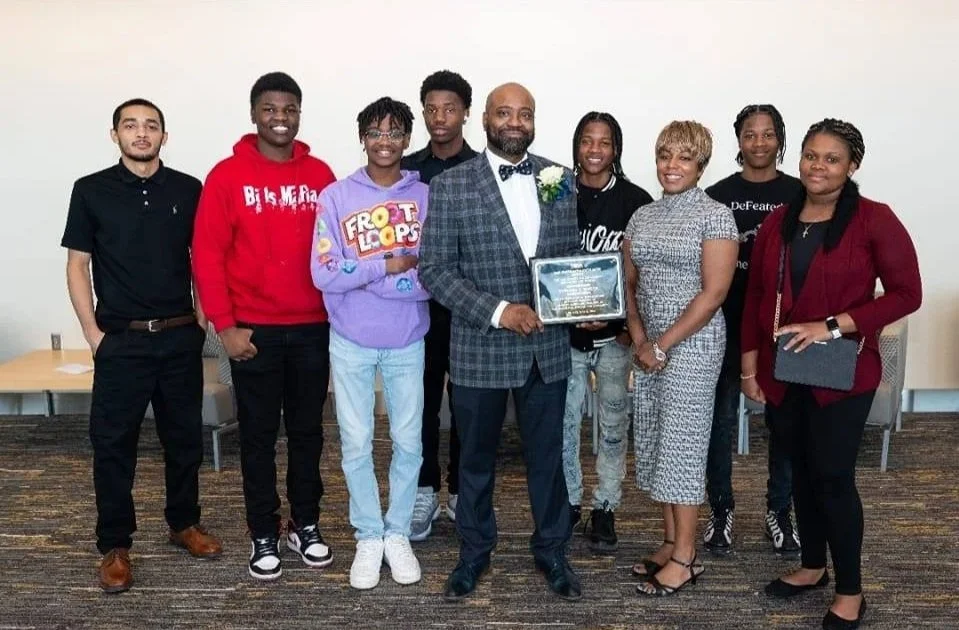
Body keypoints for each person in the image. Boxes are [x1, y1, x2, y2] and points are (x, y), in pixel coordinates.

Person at [742, 119, 921, 629]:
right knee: (797, 470)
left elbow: (908, 293)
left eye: (832, 159)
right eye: (811, 156)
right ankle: (812, 567)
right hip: (782, 370)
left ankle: (850, 591)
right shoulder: (780, 219)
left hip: (841, 374)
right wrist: (750, 367)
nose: (818, 167)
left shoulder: (874, 219)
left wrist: (833, 326)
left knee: (833, 477)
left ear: (852, 166)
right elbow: (757, 295)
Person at [420, 82, 583, 601]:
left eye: (526, 114)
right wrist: (499, 311)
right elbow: (434, 270)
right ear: (485, 118)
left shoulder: (560, 178)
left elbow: (568, 261)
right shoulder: (451, 185)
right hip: (479, 350)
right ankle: (473, 553)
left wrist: (586, 301)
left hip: (546, 349)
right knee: (474, 462)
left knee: (548, 460)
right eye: (505, 112)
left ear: (534, 122)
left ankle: (552, 551)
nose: (516, 122)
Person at [62, 98, 222, 594]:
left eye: (151, 126)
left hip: (178, 337)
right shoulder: (91, 191)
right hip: (122, 341)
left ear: (164, 137)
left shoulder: (188, 189)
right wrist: (93, 335)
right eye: (130, 125)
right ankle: (114, 544)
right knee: (113, 447)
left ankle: (183, 524)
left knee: (184, 441)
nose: (141, 133)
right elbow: (77, 265)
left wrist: (201, 314)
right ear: (115, 135)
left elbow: (204, 255)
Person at [192, 72, 336, 581]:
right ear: (254, 114)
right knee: (256, 437)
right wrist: (226, 329)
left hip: (312, 329)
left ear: (299, 113)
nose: (281, 117)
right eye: (271, 108)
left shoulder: (321, 175)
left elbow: (337, 254)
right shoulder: (227, 176)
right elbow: (207, 256)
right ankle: (263, 531)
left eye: (290, 108)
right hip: (251, 332)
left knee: (307, 434)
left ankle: (306, 523)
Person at [312, 97, 431, 590]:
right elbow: (323, 271)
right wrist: (387, 266)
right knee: (356, 443)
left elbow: (434, 273)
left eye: (395, 132)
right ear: (362, 137)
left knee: (408, 442)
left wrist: (363, 277)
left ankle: (397, 531)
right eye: (376, 132)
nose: (385, 141)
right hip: (351, 339)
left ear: (407, 139)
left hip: (407, 339)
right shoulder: (336, 197)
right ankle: (368, 534)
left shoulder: (426, 196)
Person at [623, 121, 739, 596]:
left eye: (684, 158)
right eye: (665, 155)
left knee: (683, 447)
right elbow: (627, 285)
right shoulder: (643, 216)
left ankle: (687, 558)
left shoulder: (716, 217)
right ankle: (669, 541)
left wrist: (661, 345)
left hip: (692, 346)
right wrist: (637, 337)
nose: (672, 166)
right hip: (648, 347)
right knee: (653, 438)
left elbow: (712, 296)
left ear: (701, 166)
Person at [702, 104, 802, 557]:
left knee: (784, 426)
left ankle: (779, 511)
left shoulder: (801, 192)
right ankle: (720, 510)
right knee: (718, 425)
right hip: (722, 323)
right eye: (749, 134)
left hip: (782, 327)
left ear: (781, 139)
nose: (758, 143)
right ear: (737, 140)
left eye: (767, 135)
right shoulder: (717, 194)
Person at [561, 112, 653, 553]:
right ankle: (568, 502)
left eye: (605, 142)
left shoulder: (636, 201)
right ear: (576, 146)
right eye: (586, 141)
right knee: (564, 424)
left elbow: (644, 273)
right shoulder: (554, 191)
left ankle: (606, 506)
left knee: (614, 423)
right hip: (565, 336)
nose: (595, 150)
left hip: (615, 338)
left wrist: (623, 325)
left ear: (616, 148)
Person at [401, 70, 477, 541]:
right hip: (417, 311)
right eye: (431, 108)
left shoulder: (483, 168)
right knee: (421, 406)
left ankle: (462, 494)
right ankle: (426, 490)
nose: (440, 117)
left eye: (449, 108)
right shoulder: (407, 169)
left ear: (466, 112)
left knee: (468, 406)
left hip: (468, 311)